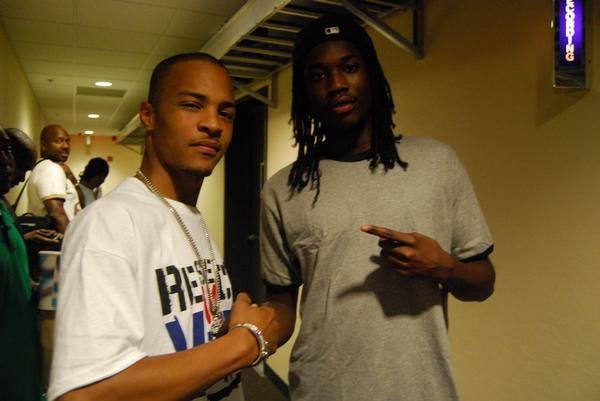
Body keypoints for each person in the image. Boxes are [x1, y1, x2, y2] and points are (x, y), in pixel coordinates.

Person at [260, 14, 496, 401]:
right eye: (318, 75)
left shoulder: (437, 163)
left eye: (350, 67)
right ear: (305, 92)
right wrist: (251, 334)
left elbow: (484, 282)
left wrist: (443, 267)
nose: (336, 84)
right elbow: (280, 300)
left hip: (422, 390)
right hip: (323, 390)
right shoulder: (282, 189)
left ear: (372, 74)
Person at [49, 52, 280, 401]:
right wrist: (246, 342)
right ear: (149, 116)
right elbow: (85, 394)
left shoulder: (189, 216)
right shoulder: (107, 223)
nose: (213, 124)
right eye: (192, 105)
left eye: (226, 113)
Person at [0, 126, 44, 401]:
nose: (8, 163)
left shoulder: (4, 209)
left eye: (7, 151)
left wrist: (35, 288)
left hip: (22, 367)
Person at [6, 127, 62, 251]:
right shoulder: (51, 168)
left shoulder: (3, 204)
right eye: (21, 168)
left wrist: (26, 237)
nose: (22, 178)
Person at [27, 124, 80, 234]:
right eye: (59, 141)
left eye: (68, 141)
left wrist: (72, 178)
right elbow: (57, 214)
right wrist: (72, 242)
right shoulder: (50, 169)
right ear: (44, 145)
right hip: (59, 241)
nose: (66, 146)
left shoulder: (44, 166)